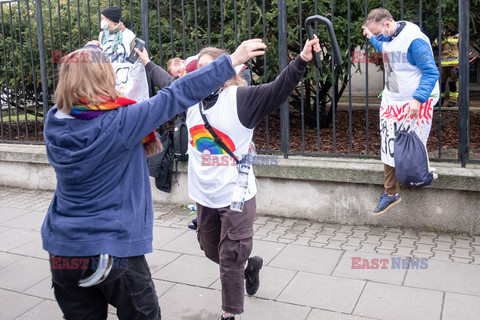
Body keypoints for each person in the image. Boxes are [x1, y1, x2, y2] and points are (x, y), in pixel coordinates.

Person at [41, 39, 265, 320]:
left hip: (62, 250)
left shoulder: (54, 122)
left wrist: (89, 54)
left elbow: (79, 91)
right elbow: (177, 93)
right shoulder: (122, 122)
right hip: (111, 251)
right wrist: (230, 60)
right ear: (104, 79)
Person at [136, 35, 320, 320]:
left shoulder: (242, 99)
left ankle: (229, 313)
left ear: (228, 70)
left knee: (230, 257)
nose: (204, 73)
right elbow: (166, 83)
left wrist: (303, 59)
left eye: (213, 67)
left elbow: (279, 89)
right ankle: (249, 267)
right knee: (211, 249)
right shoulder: (190, 100)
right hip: (205, 196)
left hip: (237, 195)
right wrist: (147, 63)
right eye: (201, 68)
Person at [362, 8, 439, 215]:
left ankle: (419, 176)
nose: (378, 37)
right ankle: (391, 193)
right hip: (391, 100)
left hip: (414, 101)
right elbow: (383, 45)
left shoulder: (415, 40)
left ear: (387, 24)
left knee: (410, 142)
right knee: (388, 144)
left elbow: (431, 72)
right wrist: (371, 37)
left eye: (377, 32)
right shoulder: (387, 37)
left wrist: (417, 99)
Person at [99, 6, 149, 102]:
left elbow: (136, 60)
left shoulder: (128, 35)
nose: (102, 21)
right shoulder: (102, 36)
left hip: (125, 80)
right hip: (107, 78)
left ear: (110, 19)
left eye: (103, 19)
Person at [167, 54, 252, 85]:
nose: (180, 75)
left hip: (238, 75)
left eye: (179, 71)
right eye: (177, 76)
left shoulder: (190, 65)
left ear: (183, 62)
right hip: (237, 73)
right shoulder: (193, 60)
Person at [438, 28, 459, 107]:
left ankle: (452, 100)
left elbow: (463, 49)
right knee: (441, 83)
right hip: (443, 64)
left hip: (454, 64)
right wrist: (441, 35)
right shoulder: (443, 36)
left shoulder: (458, 36)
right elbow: (435, 45)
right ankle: (440, 100)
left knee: (452, 83)